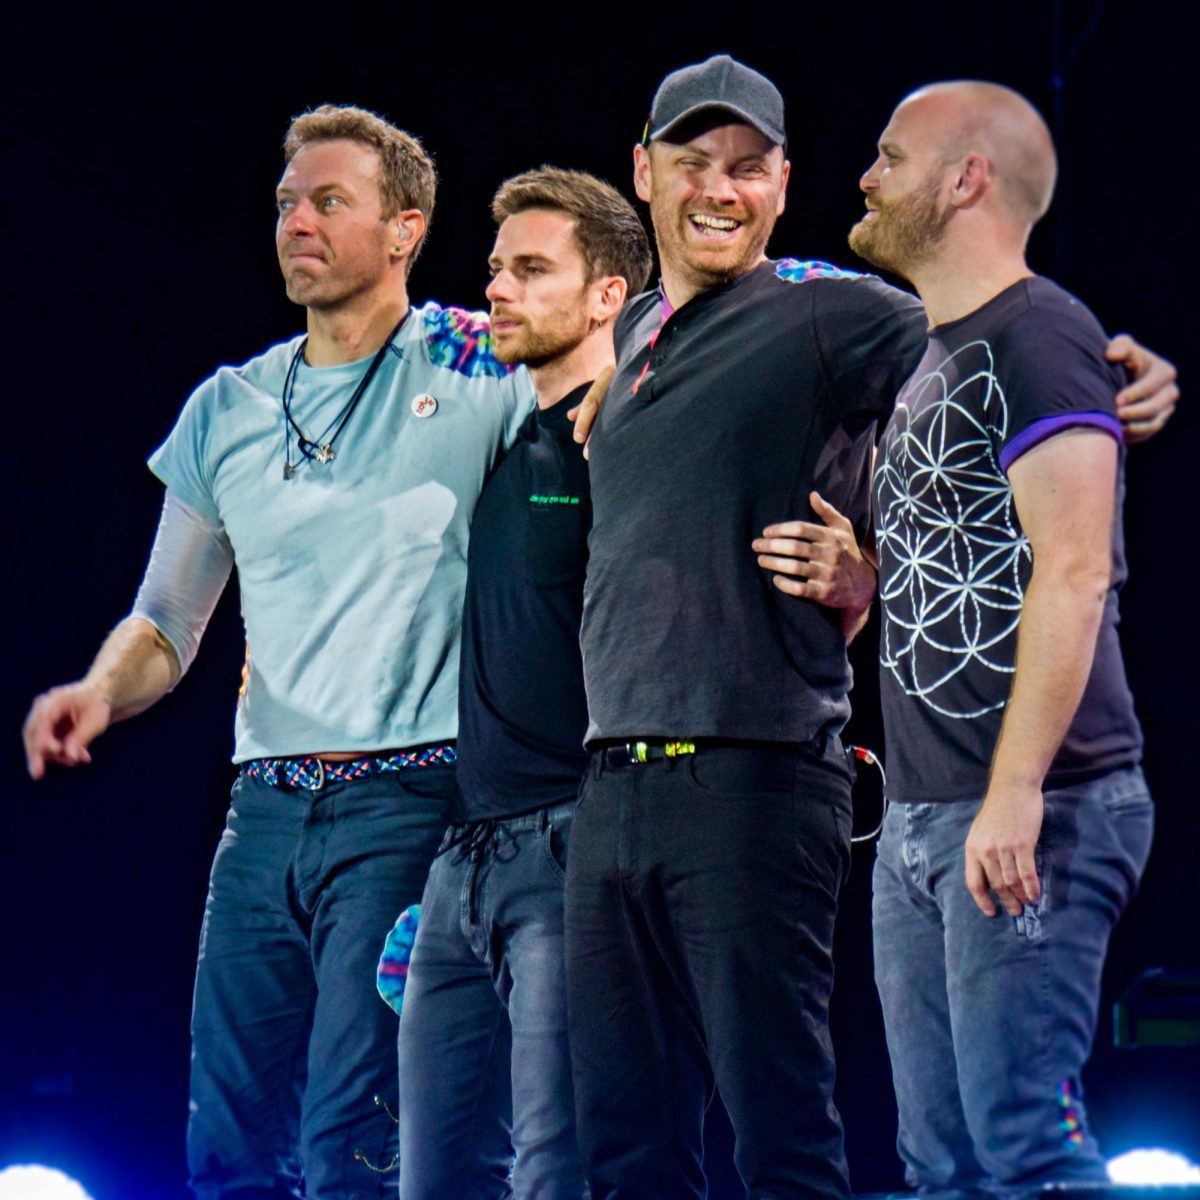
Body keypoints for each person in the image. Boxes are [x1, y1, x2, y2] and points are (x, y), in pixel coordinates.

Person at [565, 55, 1178, 1200]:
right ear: (642, 172)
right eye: (694, 164)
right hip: (638, 788)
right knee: (644, 1150)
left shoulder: (828, 315)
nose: (721, 189)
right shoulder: (636, 330)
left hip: (764, 781)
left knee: (818, 1138)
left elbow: (998, 352)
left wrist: (1114, 372)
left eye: (750, 169)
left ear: (782, 185)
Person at [22, 105, 534, 1200]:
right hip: (264, 814)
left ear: (405, 229)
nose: (296, 221)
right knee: (230, 1148)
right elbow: (166, 619)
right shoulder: (232, 405)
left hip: (418, 797)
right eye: (285, 204)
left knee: (360, 1138)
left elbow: (618, 382)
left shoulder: (480, 362)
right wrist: (100, 691)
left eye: (328, 201)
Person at [757, 81, 1169, 1198]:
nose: (866, 176)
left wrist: (1018, 791)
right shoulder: (936, 356)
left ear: (966, 179)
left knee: (1024, 1145)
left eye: (891, 156)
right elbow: (975, 568)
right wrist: (867, 577)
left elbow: (1077, 570)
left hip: (1036, 805)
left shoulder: (1037, 333)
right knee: (943, 1163)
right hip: (928, 818)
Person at [391, 167, 651, 1200]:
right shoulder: (498, 442)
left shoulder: (638, 439)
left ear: (607, 298)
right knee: (434, 1178)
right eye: (496, 268)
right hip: (458, 863)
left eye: (531, 270)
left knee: (559, 1168)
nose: (498, 288)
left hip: (573, 843)